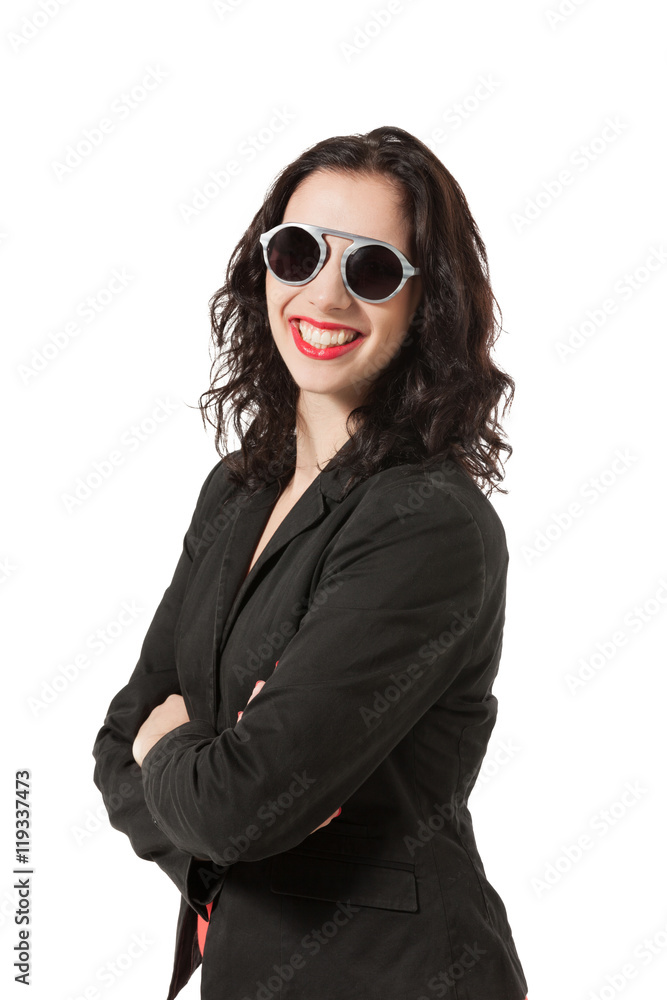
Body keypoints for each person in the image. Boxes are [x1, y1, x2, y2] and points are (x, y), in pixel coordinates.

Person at [92, 125, 529, 1000]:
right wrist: (226, 810)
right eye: (297, 254)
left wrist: (190, 760)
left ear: (424, 304)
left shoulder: (427, 524)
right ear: (264, 272)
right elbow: (117, 743)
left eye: (370, 270)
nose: (323, 296)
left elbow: (238, 801)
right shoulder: (238, 488)